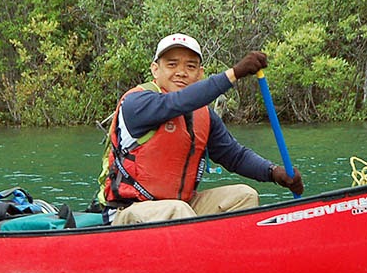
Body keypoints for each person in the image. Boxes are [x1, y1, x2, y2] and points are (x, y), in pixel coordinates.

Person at [96, 33, 304, 225]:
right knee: (176, 211)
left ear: (199, 74)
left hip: (182, 207)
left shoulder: (204, 115)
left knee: (245, 195)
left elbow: (235, 156)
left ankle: (234, 256)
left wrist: (275, 173)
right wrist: (234, 74)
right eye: (172, 64)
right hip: (128, 211)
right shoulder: (138, 103)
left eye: (190, 67)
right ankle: (197, 259)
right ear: (155, 69)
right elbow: (178, 103)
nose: (181, 72)